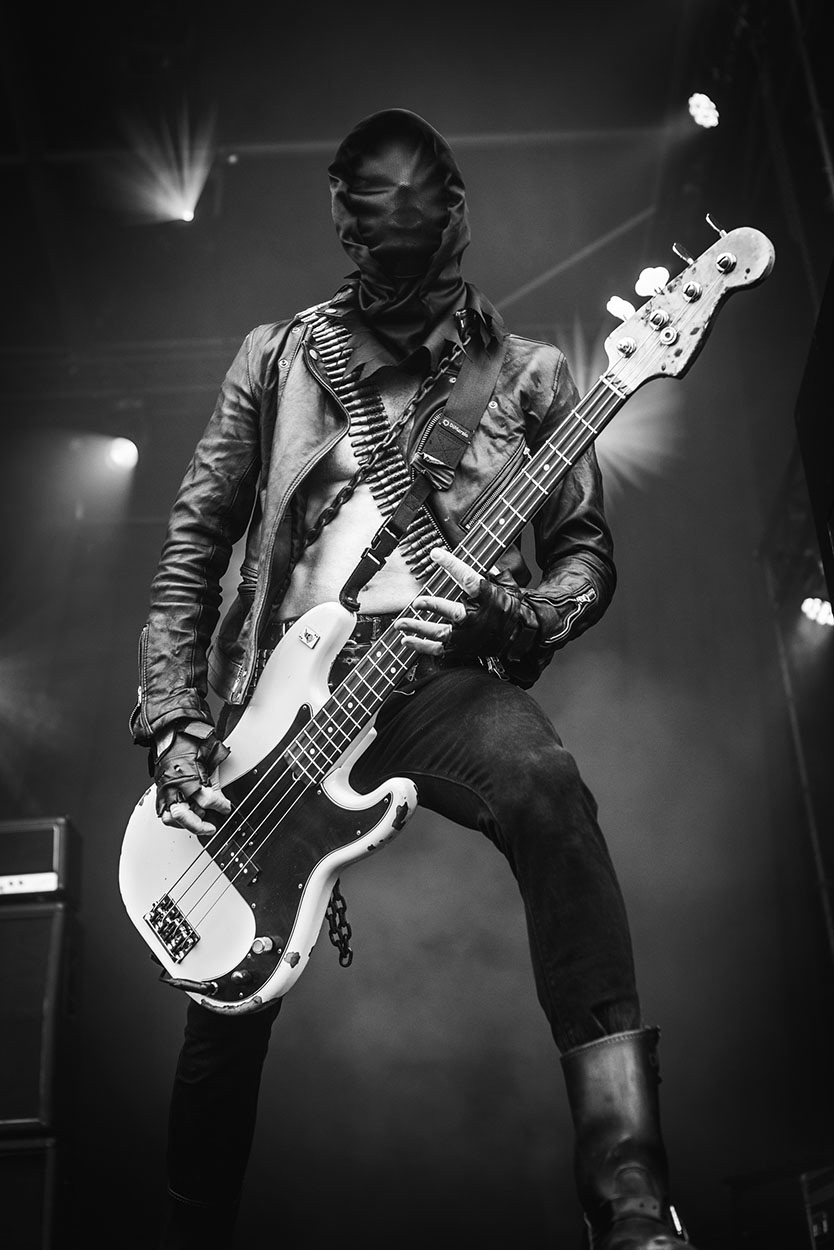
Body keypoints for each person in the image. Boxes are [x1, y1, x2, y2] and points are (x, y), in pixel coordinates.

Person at [130, 107, 697, 1250]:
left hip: (433, 679)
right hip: (279, 695)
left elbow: (585, 555)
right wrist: (179, 720)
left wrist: (511, 610)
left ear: (454, 222)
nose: (384, 254)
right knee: (228, 989)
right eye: (364, 231)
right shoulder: (281, 356)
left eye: (409, 229)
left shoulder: (529, 374)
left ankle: (630, 1193)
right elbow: (195, 542)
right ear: (342, 229)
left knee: (548, 787)